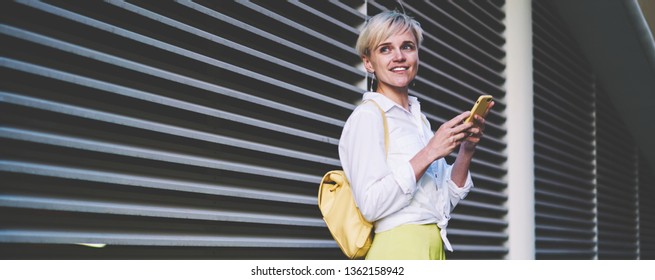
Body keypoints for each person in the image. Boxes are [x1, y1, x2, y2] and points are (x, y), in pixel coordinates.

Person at [338, 10, 494, 260]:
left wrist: (467, 149)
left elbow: (446, 200)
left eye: (407, 46)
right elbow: (370, 206)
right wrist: (430, 151)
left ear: (417, 55)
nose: (399, 57)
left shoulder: (418, 120)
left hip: (433, 248)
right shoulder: (367, 117)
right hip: (398, 250)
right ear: (368, 62)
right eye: (385, 49)